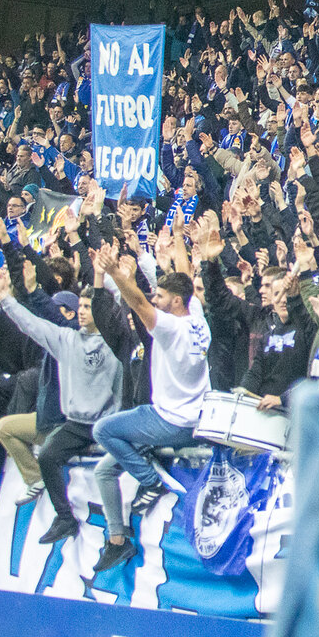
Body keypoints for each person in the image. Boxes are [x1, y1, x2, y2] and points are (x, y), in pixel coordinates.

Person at [0, 259, 121, 549]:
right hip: (78, 425)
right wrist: (5, 298)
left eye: (87, 307)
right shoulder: (65, 339)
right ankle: (65, 518)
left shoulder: (114, 340)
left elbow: (118, 306)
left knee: (111, 469)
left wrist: (103, 274)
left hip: (108, 423)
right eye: (79, 307)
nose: (82, 312)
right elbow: (30, 324)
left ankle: (119, 536)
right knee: (46, 456)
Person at [90, 242, 212, 574]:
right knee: (104, 470)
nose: (156, 300)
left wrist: (115, 272)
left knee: (103, 430)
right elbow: (185, 277)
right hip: (194, 421)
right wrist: (177, 242)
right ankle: (118, 541)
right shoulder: (197, 316)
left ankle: (148, 479)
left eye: (161, 296)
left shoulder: (171, 329)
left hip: (168, 420)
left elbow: (139, 303)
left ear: (174, 302)